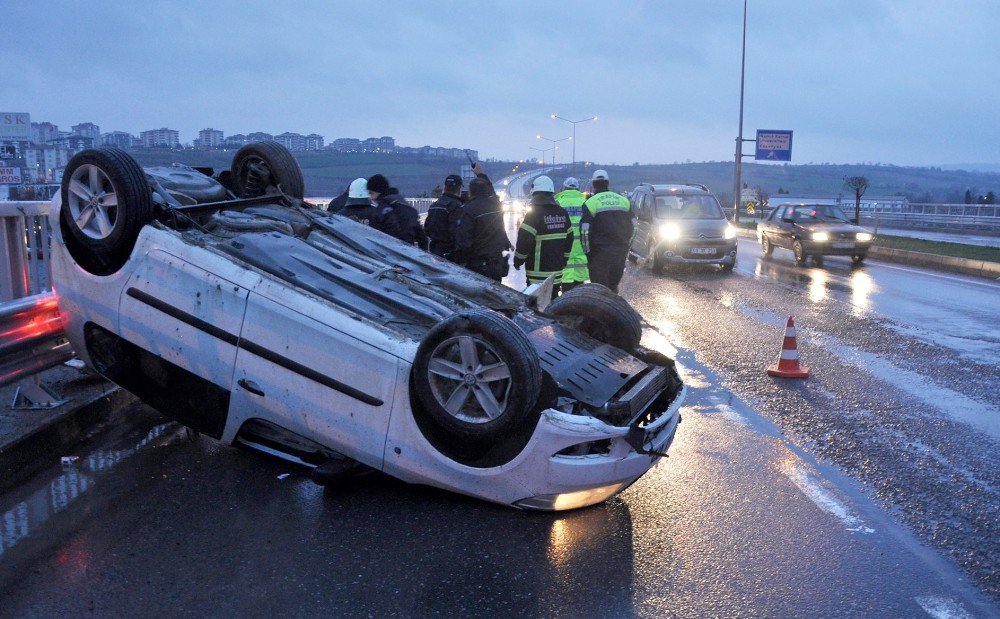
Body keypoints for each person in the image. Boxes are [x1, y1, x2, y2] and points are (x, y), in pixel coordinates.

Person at [453, 163, 510, 281]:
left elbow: (463, 241)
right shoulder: (496, 205)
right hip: (496, 263)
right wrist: (480, 174)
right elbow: (492, 192)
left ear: (470, 192)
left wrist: (456, 259)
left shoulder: (467, 210)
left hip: (478, 265)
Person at [513, 175, 573, 288]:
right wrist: (564, 260)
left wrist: (518, 261)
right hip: (557, 274)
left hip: (537, 276)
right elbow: (569, 239)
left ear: (535, 194)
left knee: (537, 305)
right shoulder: (562, 213)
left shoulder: (533, 214)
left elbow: (524, 240)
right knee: (553, 303)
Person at [581, 169, 633, 293]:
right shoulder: (624, 201)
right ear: (607, 183)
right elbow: (634, 227)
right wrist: (627, 247)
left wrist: (588, 253)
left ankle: (600, 311)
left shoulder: (590, 203)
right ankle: (613, 310)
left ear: (593, 184)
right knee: (613, 286)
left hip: (599, 254)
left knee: (599, 290)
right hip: (620, 251)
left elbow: (584, 232)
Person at [367, 174, 428, 248]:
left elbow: (373, 235)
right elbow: (422, 237)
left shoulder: (383, 207)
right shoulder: (406, 205)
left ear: (378, 191)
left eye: (371, 193)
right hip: (409, 253)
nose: (370, 197)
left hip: (390, 253)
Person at [554, 177, 589, 293]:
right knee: (579, 284)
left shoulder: (558, 202)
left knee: (565, 282)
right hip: (582, 248)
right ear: (578, 189)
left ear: (564, 188)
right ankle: (578, 307)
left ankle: (565, 306)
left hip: (564, 248)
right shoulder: (585, 202)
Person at [424, 174, 465, 259]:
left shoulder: (435, 205)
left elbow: (426, 228)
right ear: (459, 188)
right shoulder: (456, 206)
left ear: (445, 187)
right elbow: (457, 231)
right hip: (449, 251)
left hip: (434, 248)